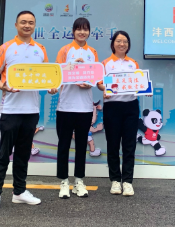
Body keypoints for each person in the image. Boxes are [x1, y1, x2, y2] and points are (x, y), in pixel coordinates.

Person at [0, 11, 47, 212]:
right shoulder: (6, 48)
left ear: (34, 26)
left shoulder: (40, 49)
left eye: (31, 23)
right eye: (23, 22)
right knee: (4, 153)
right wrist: (3, 86)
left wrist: (52, 86)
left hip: (32, 110)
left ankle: (19, 192)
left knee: (23, 153)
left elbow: (46, 76)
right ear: (16, 25)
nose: (27, 25)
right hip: (10, 109)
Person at [49, 17, 99, 199]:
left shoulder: (92, 52)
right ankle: (63, 181)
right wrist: (71, 67)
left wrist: (90, 83)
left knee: (81, 145)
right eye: (79, 29)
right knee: (63, 145)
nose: (82, 32)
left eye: (85, 29)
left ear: (89, 32)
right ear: (73, 31)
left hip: (85, 107)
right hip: (66, 106)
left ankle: (79, 181)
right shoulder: (65, 50)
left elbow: (96, 76)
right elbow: (57, 73)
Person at [97, 30, 141, 197]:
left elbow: (139, 83)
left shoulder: (133, 63)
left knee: (129, 145)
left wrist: (145, 89)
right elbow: (101, 83)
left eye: (125, 41)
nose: (122, 44)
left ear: (128, 45)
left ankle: (127, 181)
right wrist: (105, 89)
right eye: (119, 41)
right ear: (113, 44)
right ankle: (115, 180)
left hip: (131, 106)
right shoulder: (106, 63)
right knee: (113, 144)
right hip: (112, 106)